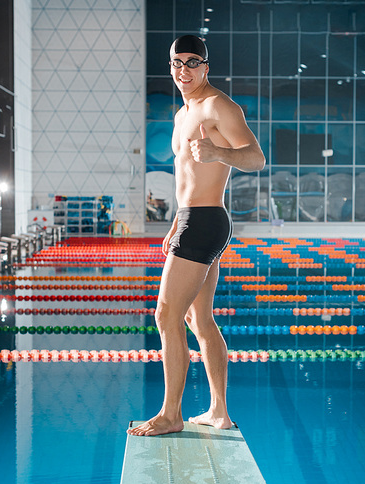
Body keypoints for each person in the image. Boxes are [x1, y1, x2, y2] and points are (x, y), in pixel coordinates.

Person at [128, 35, 265, 437]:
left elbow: (255, 158)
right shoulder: (181, 114)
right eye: (176, 63)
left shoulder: (219, 106)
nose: (183, 70)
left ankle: (171, 414)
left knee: (165, 315)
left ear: (206, 67)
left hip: (206, 219)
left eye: (192, 62)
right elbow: (186, 178)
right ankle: (218, 412)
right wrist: (174, 221)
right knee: (198, 319)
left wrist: (220, 153)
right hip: (193, 218)